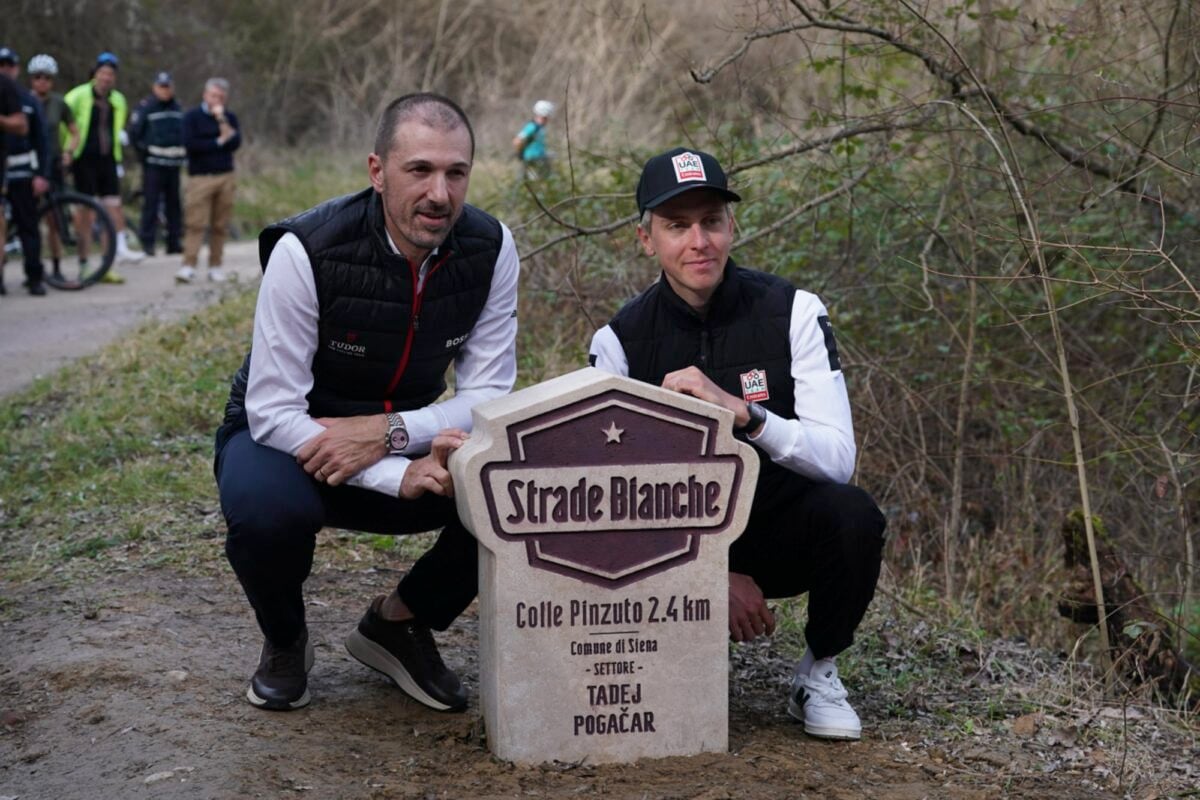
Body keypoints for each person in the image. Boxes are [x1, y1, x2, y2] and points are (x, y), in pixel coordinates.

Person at [214, 92, 519, 713]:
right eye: (419, 170)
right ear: (377, 172)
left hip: (401, 435)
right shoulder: (307, 249)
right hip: (282, 443)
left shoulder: (491, 248)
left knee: (513, 482)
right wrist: (390, 472)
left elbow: (489, 392)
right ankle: (285, 639)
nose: (440, 194)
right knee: (264, 511)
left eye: (456, 173)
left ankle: (400, 622)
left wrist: (392, 435)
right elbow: (271, 411)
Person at [588, 147, 886, 741]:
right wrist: (709, 573)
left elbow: (837, 459)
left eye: (712, 221)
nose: (699, 241)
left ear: (733, 227)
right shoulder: (618, 341)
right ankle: (663, 650)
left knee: (853, 515)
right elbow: (610, 505)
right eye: (677, 226)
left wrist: (747, 415)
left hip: (776, 528)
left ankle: (819, 671)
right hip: (669, 549)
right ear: (646, 239)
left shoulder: (794, 311)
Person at [177, 78, 240, 284]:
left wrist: (221, 120)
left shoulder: (229, 117)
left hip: (225, 177)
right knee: (195, 223)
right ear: (205, 95)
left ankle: (215, 266)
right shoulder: (192, 117)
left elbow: (235, 142)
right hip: (200, 178)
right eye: (213, 96)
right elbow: (191, 145)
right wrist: (218, 142)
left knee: (220, 225)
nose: (216, 100)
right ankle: (188, 265)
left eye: (221, 97)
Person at [0, 47, 50, 296]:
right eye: (2, 65)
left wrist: (42, 174)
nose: (5, 70)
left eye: (10, 65)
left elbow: (42, 141)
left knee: (28, 226)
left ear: (17, 69)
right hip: (2, 173)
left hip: (22, 173)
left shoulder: (28, 101)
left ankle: (34, 276)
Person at [27, 54, 81, 282]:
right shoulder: (21, 100)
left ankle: (56, 267)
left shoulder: (59, 103)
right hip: (28, 163)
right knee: (26, 220)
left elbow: (74, 132)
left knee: (53, 219)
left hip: (53, 163)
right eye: (38, 77)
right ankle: (31, 269)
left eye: (47, 78)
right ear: (31, 79)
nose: (42, 81)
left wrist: (68, 152)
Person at [128, 71, 184, 256]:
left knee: (173, 204)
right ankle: (147, 242)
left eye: (167, 86)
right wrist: (143, 156)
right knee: (150, 204)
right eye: (161, 86)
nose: (165, 90)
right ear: (154, 87)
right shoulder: (146, 107)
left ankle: (173, 242)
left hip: (173, 164)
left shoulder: (178, 108)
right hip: (153, 164)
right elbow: (135, 134)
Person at [512, 99, 554, 180]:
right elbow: (517, 141)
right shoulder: (532, 127)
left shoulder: (541, 128)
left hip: (540, 160)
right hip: (532, 161)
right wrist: (521, 153)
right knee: (535, 183)